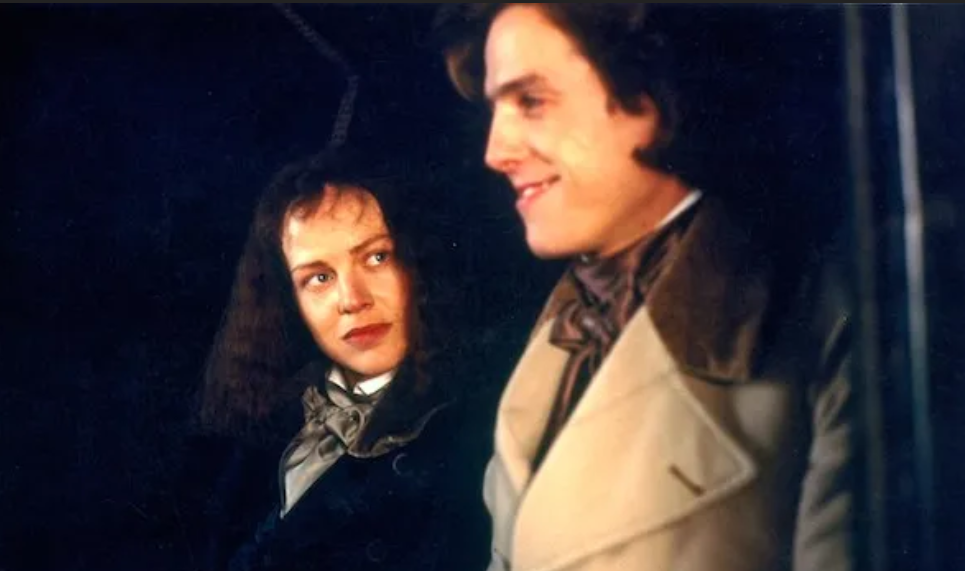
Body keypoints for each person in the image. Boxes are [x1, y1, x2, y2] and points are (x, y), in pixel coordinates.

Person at [433, 4, 853, 571]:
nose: (495, 151)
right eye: (494, 109)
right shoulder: (557, 337)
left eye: (531, 101)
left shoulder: (828, 324)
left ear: (652, 93)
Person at [195, 146, 492, 571]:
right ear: (290, 300)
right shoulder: (267, 432)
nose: (352, 299)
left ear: (418, 262)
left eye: (377, 257)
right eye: (319, 277)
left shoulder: (479, 434)